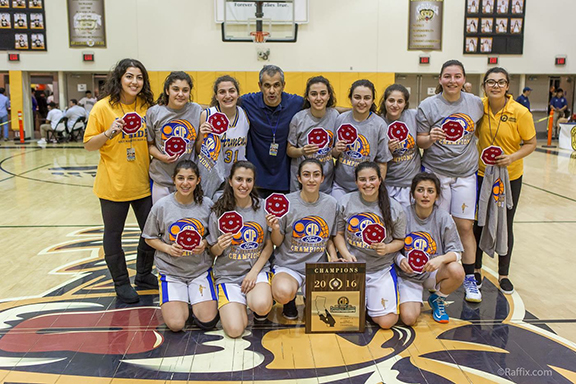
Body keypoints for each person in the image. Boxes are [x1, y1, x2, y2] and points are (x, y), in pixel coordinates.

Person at [83, 58, 157, 303]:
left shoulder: (147, 106)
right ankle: (121, 282)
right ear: (119, 78)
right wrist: (109, 132)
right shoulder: (103, 107)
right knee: (113, 235)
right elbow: (88, 145)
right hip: (113, 184)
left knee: (150, 232)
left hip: (143, 183)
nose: (134, 82)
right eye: (129, 77)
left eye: (139, 78)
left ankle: (144, 275)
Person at [416, 59, 484, 303]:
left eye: (457, 76)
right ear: (440, 79)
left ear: (464, 79)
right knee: (438, 226)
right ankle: (435, 274)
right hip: (437, 173)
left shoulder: (476, 103)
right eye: (448, 76)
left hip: (466, 174)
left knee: (465, 227)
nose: (452, 81)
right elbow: (419, 141)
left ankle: (469, 278)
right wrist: (429, 138)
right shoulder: (428, 105)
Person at [474, 67, 536, 294]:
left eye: (501, 82)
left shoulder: (520, 112)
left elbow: (531, 144)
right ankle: (476, 271)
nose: (496, 86)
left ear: (508, 86)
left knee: (505, 223)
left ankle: (504, 274)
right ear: (485, 86)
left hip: (509, 177)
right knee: (478, 223)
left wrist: (512, 157)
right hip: (482, 174)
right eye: (491, 82)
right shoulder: (478, 107)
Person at [142, 160, 218, 332]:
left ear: (198, 180)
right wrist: (168, 248)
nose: (185, 183)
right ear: (173, 179)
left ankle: (192, 300)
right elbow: (149, 237)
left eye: (190, 178)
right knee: (176, 325)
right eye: (181, 178)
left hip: (199, 269)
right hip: (171, 271)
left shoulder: (207, 205)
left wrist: (204, 243)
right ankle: (181, 301)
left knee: (207, 321)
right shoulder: (161, 206)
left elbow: (213, 237)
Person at [334, 162, 405, 329]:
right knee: (344, 321)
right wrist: (345, 254)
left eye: (372, 179)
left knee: (387, 322)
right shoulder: (345, 202)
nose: (368, 184)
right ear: (356, 181)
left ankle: (370, 301)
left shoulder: (395, 208)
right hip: (352, 268)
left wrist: (387, 248)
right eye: (362, 179)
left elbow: (400, 241)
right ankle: (364, 302)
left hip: (379, 268)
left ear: (380, 180)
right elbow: (338, 234)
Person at [207, 161, 274, 338]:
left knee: (261, 304)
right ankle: (239, 304)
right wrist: (219, 246)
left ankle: (256, 301)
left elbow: (269, 245)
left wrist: (253, 272)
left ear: (253, 182)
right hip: (228, 275)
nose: (244, 185)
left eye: (248, 180)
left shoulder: (263, 206)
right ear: (230, 181)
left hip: (255, 271)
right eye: (239, 179)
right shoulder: (218, 211)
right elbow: (213, 251)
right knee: (235, 331)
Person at [267, 159, 338, 319]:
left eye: (316, 175)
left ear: (322, 178)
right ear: (299, 178)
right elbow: (277, 243)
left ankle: (309, 295)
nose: (311, 179)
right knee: (283, 292)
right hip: (289, 265)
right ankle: (289, 300)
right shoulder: (286, 202)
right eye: (306, 175)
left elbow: (329, 238)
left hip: (316, 268)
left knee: (322, 307)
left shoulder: (331, 203)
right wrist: (276, 228)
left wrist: (333, 257)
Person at [396, 172, 464, 325]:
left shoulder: (444, 217)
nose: (425, 195)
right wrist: (401, 260)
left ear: (437, 195)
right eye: (420, 190)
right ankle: (405, 295)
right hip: (408, 275)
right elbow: (392, 249)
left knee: (457, 271)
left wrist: (441, 259)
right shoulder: (402, 215)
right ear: (413, 193)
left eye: (430, 191)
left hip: (431, 272)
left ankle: (437, 298)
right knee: (408, 319)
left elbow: (457, 253)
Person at [240, 65, 304, 198]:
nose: (272, 91)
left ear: (283, 85)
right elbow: (223, 103)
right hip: (256, 178)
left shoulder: (296, 103)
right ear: (260, 86)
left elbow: (322, 107)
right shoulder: (248, 101)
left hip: (284, 177)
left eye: (276, 85)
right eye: (267, 85)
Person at [332, 79, 392, 201]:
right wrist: (336, 150)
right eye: (357, 97)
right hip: (341, 186)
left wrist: (376, 188)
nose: (362, 102)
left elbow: (382, 162)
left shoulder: (379, 125)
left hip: (366, 187)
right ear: (350, 98)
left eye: (367, 98)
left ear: (372, 100)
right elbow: (333, 154)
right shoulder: (341, 119)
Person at [147, 72, 201, 204]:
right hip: (162, 178)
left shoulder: (196, 110)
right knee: (163, 221)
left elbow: (198, 146)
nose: (180, 94)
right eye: (176, 89)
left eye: (185, 90)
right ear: (167, 90)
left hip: (187, 181)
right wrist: (162, 156)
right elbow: (149, 144)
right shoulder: (154, 112)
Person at [196, 75, 249, 199]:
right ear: (216, 96)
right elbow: (198, 150)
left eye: (231, 91)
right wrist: (204, 137)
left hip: (237, 176)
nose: (227, 96)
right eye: (222, 92)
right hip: (212, 177)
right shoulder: (207, 115)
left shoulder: (243, 113)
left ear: (238, 94)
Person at [287, 76, 339, 194]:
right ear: (307, 97)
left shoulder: (335, 116)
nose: (319, 98)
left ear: (329, 95)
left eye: (323, 93)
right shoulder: (298, 118)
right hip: (301, 183)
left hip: (326, 182)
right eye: (314, 94)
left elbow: (335, 152)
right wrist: (302, 151)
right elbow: (289, 150)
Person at [378, 84, 421, 207]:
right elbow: (376, 157)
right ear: (385, 101)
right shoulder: (378, 122)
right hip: (389, 182)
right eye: (391, 100)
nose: (395, 105)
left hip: (411, 182)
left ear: (405, 103)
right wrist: (388, 150)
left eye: (400, 101)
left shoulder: (413, 116)